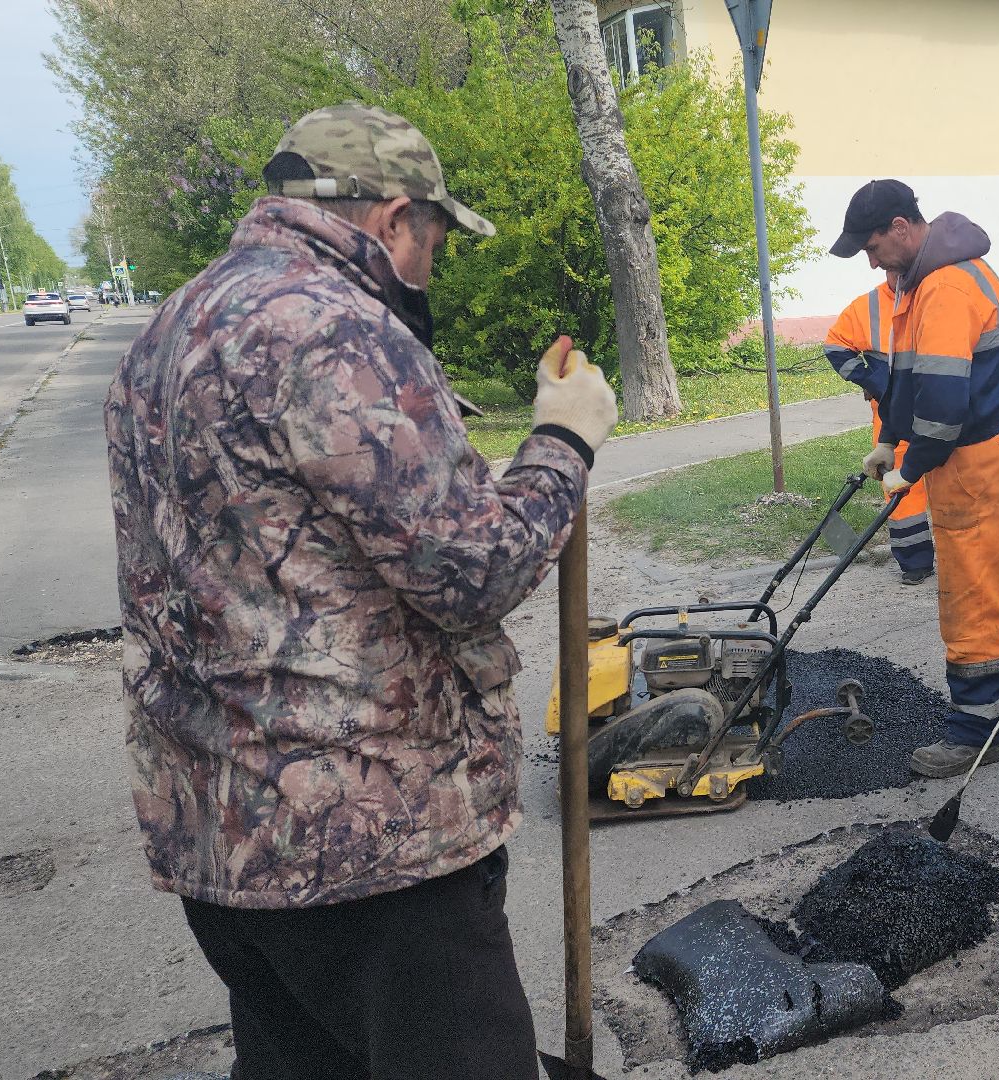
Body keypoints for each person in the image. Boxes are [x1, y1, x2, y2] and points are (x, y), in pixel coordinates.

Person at [105, 102, 618, 1079]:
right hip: (371, 848)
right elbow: (473, 573)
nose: (431, 269)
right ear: (392, 219)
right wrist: (564, 438)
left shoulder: (171, 328)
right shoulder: (338, 334)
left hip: (221, 831)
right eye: (433, 244)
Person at [828, 179, 999, 778]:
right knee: (980, 587)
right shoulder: (924, 280)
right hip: (971, 454)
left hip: (972, 461)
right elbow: (910, 375)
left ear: (900, 227)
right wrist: (890, 438)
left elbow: (944, 405)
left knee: (969, 599)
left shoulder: (946, 288)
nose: (870, 262)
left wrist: (911, 467)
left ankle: (975, 732)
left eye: (872, 247)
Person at [821, 269, 936, 584]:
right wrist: (875, 382)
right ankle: (915, 561)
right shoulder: (868, 306)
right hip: (893, 418)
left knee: (951, 484)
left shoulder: (936, 294)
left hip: (941, 409)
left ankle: (960, 556)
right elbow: (835, 346)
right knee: (900, 489)